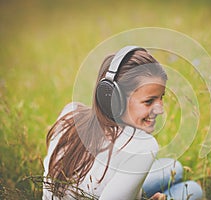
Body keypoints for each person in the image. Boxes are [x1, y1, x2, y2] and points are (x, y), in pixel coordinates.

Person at [43, 46, 202, 200]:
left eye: (161, 98)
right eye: (148, 102)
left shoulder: (71, 111)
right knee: (193, 190)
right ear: (114, 99)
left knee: (174, 167)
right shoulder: (144, 147)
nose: (160, 110)